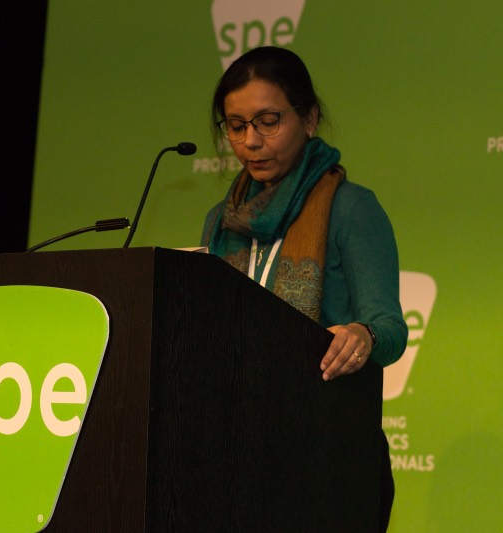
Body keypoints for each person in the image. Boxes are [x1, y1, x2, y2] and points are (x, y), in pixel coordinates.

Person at [200, 46, 408, 531]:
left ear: (309, 119)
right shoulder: (220, 221)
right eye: (236, 126)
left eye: (268, 121)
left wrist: (362, 335)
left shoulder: (351, 208)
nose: (251, 141)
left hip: (330, 454)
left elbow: (390, 329)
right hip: (234, 453)